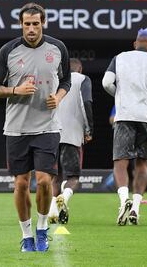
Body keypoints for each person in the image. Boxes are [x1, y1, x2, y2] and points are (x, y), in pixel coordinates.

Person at [0, 2, 70, 253]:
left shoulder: (58, 48)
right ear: (21, 25)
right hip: (16, 128)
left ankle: (42, 229)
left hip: (48, 126)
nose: (31, 29)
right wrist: (15, 90)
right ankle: (26, 236)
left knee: (45, 181)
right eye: (27, 24)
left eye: (36, 24)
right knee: (21, 184)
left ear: (43, 23)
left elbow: (65, 79)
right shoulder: (8, 51)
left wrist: (60, 96)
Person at [102, 28, 147, 226]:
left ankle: (123, 201)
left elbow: (106, 83)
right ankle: (136, 208)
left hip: (124, 115)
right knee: (142, 162)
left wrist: (120, 96)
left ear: (135, 43)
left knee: (120, 162)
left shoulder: (119, 58)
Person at [48, 58, 93, 225]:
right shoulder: (83, 79)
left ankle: (52, 210)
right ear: (80, 69)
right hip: (72, 134)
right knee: (73, 177)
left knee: (55, 176)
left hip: (52, 133)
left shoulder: (54, 80)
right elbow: (86, 103)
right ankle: (64, 198)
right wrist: (89, 129)